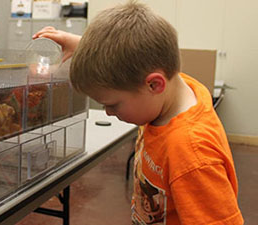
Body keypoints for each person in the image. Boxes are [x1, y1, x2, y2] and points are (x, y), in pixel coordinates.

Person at [33, 1, 244, 224]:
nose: (107, 113)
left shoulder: (191, 153)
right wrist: (86, 46)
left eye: (113, 104)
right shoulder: (173, 91)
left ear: (154, 85)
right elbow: (137, 56)